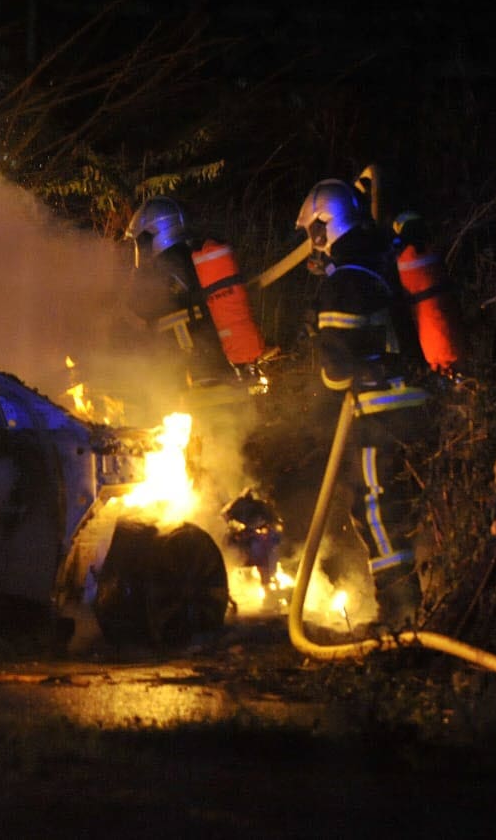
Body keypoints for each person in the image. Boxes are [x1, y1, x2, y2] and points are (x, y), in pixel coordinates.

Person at [295, 178, 431, 629]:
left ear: (326, 227)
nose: (313, 245)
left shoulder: (344, 282)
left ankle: (401, 613)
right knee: (409, 502)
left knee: (374, 506)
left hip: (380, 411)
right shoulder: (383, 259)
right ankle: (430, 593)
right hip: (418, 400)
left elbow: (337, 374)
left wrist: (318, 337)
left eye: (314, 233)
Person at [122, 196, 269, 400]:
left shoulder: (168, 267)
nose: (141, 248)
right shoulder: (194, 258)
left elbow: (139, 310)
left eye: (142, 240)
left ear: (155, 232)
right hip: (215, 369)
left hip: (194, 376)